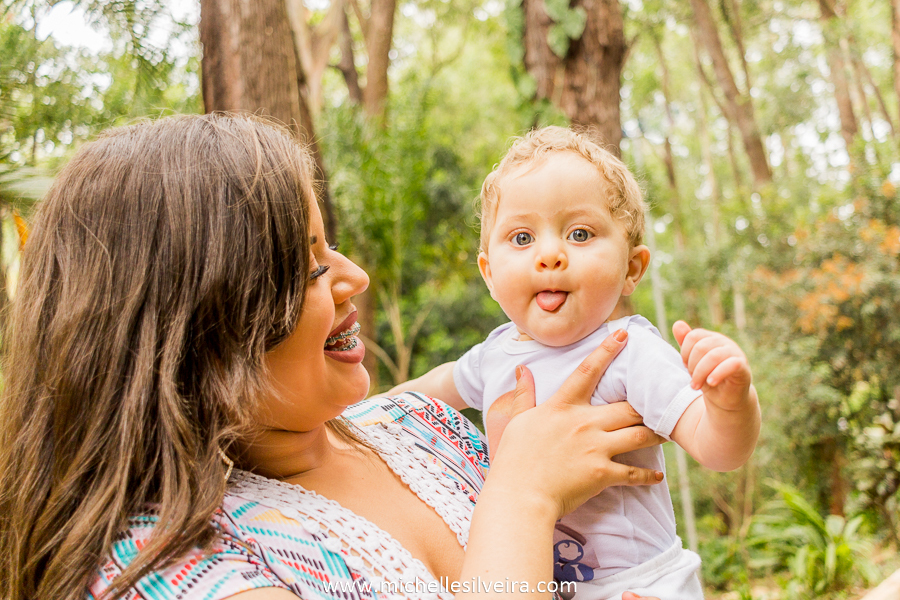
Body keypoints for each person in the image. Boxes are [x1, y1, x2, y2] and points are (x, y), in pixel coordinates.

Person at [0, 114, 669, 600]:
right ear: (199, 325)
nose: (355, 278)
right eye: (310, 266)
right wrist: (523, 497)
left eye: (330, 246)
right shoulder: (163, 568)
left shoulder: (423, 430)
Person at [388, 127, 762, 599]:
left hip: (641, 584)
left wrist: (731, 403)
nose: (549, 255)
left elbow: (720, 451)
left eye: (579, 233)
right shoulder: (494, 355)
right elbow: (420, 396)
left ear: (631, 268)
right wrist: (352, 415)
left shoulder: (630, 351)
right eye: (522, 237)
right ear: (489, 274)